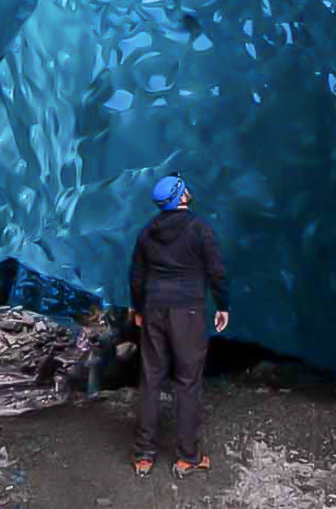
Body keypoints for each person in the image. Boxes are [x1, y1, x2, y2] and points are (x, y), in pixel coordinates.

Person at [128, 173, 230, 478]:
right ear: (181, 196)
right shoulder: (199, 229)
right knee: (187, 381)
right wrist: (223, 305)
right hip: (187, 311)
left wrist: (138, 307)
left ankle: (144, 455)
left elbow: (137, 275)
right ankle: (187, 457)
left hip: (154, 308)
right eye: (184, 187)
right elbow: (216, 272)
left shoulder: (148, 232)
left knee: (151, 378)